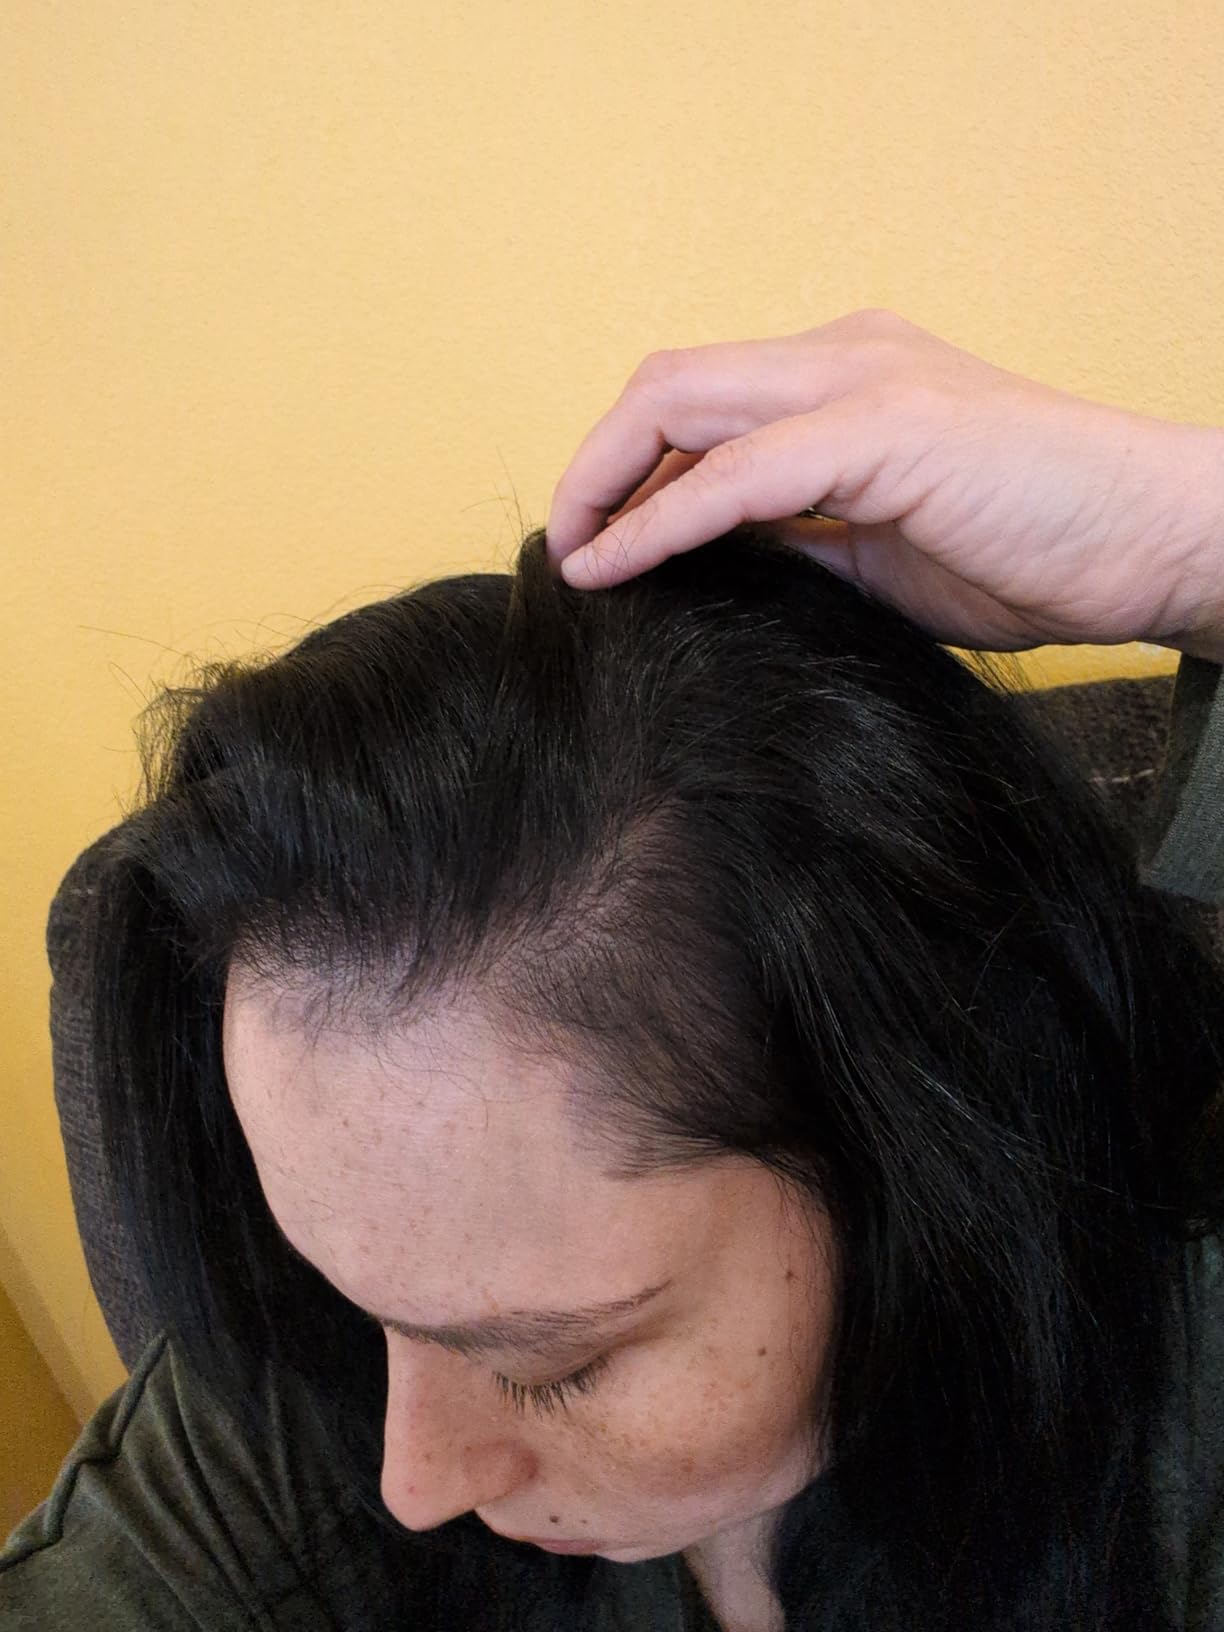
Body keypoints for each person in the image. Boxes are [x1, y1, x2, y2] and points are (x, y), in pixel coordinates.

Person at [2, 312, 1222, 1632]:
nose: (414, 1482)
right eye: (348, 1295)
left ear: (922, 1136)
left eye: (556, 1366)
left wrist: (1191, 535)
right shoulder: (311, 1382)